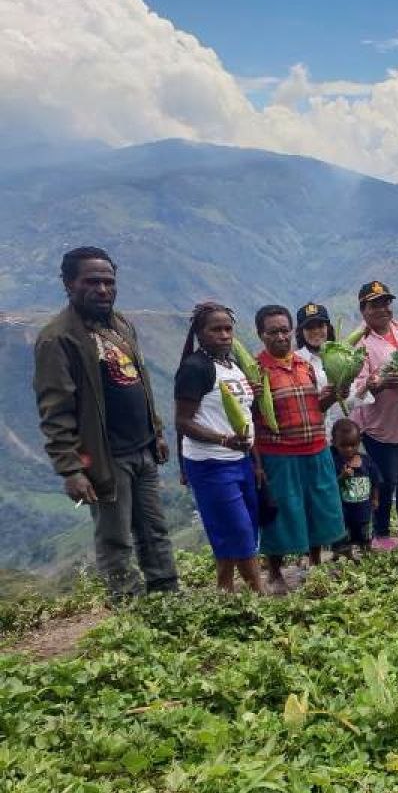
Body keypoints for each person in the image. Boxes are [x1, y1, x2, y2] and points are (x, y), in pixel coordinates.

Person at [33, 246, 178, 602]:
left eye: (108, 282)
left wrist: (156, 432)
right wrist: (70, 469)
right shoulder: (59, 338)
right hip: (105, 456)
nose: (102, 289)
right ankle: (128, 609)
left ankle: (168, 598)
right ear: (69, 284)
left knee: (155, 530)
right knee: (115, 538)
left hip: (142, 448)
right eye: (92, 281)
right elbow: (56, 411)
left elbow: (139, 382)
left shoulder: (120, 324)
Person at [254, 305, 346, 594]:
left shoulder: (304, 365)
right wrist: (256, 463)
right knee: (282, 511)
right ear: (261, 334)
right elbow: (250, 420)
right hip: (279, 454)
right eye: (273, 331)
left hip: (316, 448)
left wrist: (331, 398)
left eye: (285, 330)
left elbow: (315, 408)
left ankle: (316, 561)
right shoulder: (256, 371)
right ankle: (275, 572)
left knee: (318, 507)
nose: (281, 336)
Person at [173, 302, 264, 594]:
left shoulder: (232, 364)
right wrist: (223, 440)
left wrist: (256, 462)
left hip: (240, 460)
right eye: (216, 330)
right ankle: (258, 592)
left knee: (240, 525)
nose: (224, 335)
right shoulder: (195, 368)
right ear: (200, 333)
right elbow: (183, 422)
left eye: (228, 329)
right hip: (211, 462)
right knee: (238, 528)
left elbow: (245, 417)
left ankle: (224, 588)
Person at [350, 281, 398, 547]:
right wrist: (378, 383)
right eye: (375, 304)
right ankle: (381, 533)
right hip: (381, 425)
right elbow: (356, 386)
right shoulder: (360, 343)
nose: (382, 309)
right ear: (363, 310)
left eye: (385, 303)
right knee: (385, 482)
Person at [294, 302, 372, 438]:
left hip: (346, 441)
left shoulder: (342, 358)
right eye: (309, 327)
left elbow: (350, 405)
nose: (316, 331)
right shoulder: (295, 362)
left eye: (320, 326)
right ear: (301, 332)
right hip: (315, 439)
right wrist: (322, 399)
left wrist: (365, 387)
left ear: (328, 328)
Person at [328, 418, 381, 558]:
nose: (349, 449)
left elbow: (375, 480)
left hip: (363, 507)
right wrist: (342, 477)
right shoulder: (334, 462)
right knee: (343, 532)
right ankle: (342, 553)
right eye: (343, 446)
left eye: (353, 445)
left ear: (359, 442)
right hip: (342, 509)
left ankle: (366, 549)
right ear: (334, 443)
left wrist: (375, 499)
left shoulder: (366, 460)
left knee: (364, 530)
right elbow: (330, 485)